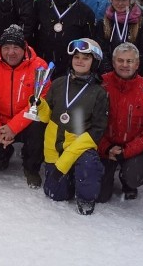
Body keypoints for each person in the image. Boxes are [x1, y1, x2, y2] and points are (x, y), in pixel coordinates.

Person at [38, 38, 109, 215]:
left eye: (86, 58)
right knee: (55, 194)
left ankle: (86, 196)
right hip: (56, 146)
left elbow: (96, 132)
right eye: (76, 56)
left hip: (80, 147)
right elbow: (46, 117)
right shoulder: (59, 83)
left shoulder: (99, 93)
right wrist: (39, 105)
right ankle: (70, 178)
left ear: (94, 62)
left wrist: (64, 163)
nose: (80, 61)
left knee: (87, 163)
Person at [0, 25, 50, 187]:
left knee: (39, 124)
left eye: (16, 47)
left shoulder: (40, 66)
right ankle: (2, 153)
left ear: (24, 48)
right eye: (6, 47)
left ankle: (31, 167)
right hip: (0, 122)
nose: (11, 52)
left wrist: (13, 127)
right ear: (0, 48)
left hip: (26, 120)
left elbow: (39, 101)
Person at [97, 43, 143, 202]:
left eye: (129, 61)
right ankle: (106, 174)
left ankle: (127, 179)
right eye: (120, 60)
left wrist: (127, 151)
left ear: (137, 64)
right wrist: (107, 148)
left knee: (135, 175)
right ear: (113, 63)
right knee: (100, 196)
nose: (124, 65)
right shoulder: (101, 85)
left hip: (132, 148)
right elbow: (92, 122)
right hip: (104, 146)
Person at [29, 0, 95, 76]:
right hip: (40, 68)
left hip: (69, 72)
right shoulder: (40, 6)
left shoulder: (85, 13)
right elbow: (30, 36)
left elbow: (88, 47)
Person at [94, 0, 143, 75]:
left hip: (133, 75)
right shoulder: (103, 23)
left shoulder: (141, 24)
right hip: (110, 76)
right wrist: (111, 73)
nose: (120, 3)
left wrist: (131, 73)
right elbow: (101, 51)